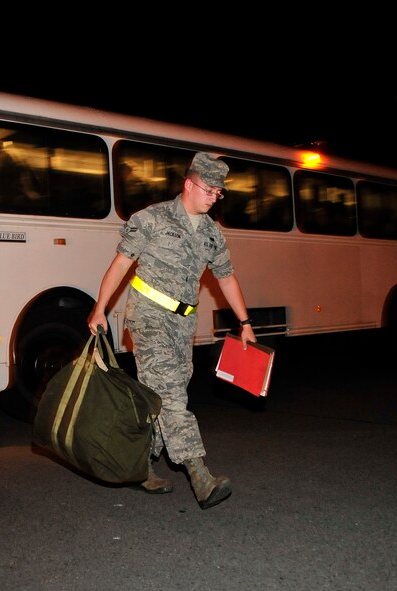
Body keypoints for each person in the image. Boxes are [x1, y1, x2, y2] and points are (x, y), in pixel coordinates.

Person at [87, 152, 256, 510]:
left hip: (184, 325)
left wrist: (245, 324)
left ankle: (141, 464)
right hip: (148, 317)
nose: (214, 197)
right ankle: (199, 474)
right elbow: (120, 264)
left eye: (218, 193)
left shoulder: (212, 233)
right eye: (209, 190)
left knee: (164, 394)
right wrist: (100, 308)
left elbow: (226, 278)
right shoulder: (151, 219)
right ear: (188, 184)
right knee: (172, 395)